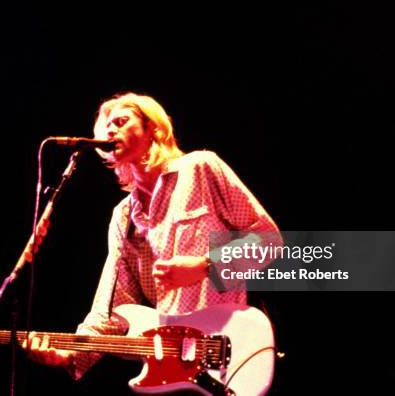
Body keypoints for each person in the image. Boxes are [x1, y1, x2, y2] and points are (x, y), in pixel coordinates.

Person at [23, 92, 282, 380]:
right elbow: (110, 308)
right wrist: (70, 353)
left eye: (121, 121)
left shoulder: (200, 168)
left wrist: (204, 266)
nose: (111, 130)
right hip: (178, 367)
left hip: (232, 347)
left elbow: (268, 240)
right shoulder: (123, 217)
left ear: (152, 129)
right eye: (106, 127)